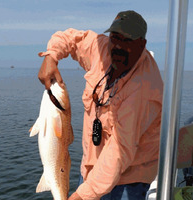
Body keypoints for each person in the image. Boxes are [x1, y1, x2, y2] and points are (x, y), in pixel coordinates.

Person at [38, 10, 163, 200]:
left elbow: (119, 151)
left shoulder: (145, 88)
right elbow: (69, 38)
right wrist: (51, 56)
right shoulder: (102, 47)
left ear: (142, 44)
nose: (118, 46)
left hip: (128, 180)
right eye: (115, 37)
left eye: (127, 41)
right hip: (91, 168)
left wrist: (81, 196)